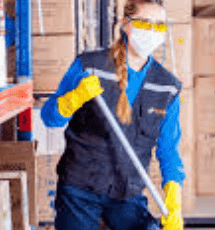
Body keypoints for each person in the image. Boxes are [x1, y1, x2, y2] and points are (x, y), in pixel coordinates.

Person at [41, 0, 186, 229]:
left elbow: (168, 150)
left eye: (158, 26)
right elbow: (49, 117)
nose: (151, 32)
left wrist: (174, 200)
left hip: (127, 194)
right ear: (125, 24)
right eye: (144, 24)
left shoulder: (167, 87)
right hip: (80, 190)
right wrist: (73, 99)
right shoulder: (90, 66)